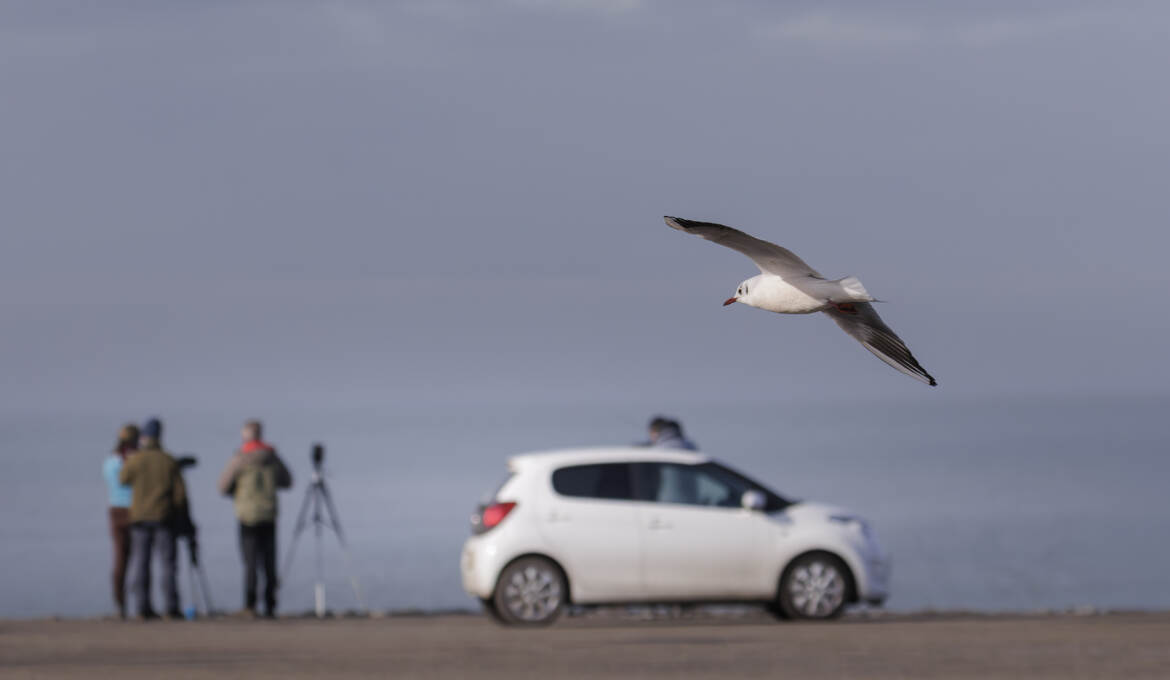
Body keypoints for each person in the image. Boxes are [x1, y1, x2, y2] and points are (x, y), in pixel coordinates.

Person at [218, 419, 292, 618]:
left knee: (250, 562)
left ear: (246, 435)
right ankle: (270, 605)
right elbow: (287, 481)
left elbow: (223, 486)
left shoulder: (240, 458)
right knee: (269, 563)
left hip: (247, 516)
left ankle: (250, 605)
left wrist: (237, 492)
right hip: (268, 515)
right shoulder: (272, 457)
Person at [118, 417, 187, 620]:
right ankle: (171, 607)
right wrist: (182, 518)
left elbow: (123, 479)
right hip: (164, 517)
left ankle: (142, 607)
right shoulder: (168, 460)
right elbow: (180, 496)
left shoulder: (136, 459)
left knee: (141, 563)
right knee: (168, 564)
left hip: (139, 518)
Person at [102, 423, 138, 619]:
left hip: (115, 510)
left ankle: (120, 604)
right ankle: (139, 603)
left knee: (120, 559)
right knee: (139, 558)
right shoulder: (134, 460)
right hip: (134, 510)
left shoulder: (110, 462)